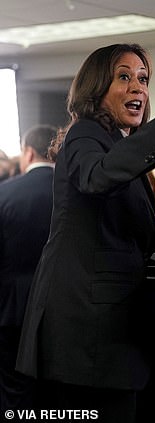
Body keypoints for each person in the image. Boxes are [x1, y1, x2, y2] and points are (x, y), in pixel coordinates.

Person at [15, 43, 155, 421]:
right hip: (87, 334)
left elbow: (102, 218)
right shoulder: (86, 133)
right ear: (96, 87)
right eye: (124, 77)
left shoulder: (114, 142)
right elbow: (97, 178)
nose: (138, 87)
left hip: (107, 332)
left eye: (143, 79)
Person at [0, 125, 57, 412]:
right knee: (55, 394)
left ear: (28, 152)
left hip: (11, 309)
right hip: (62, 307)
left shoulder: (4, 194)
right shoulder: (76, 195)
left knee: (15, 392)